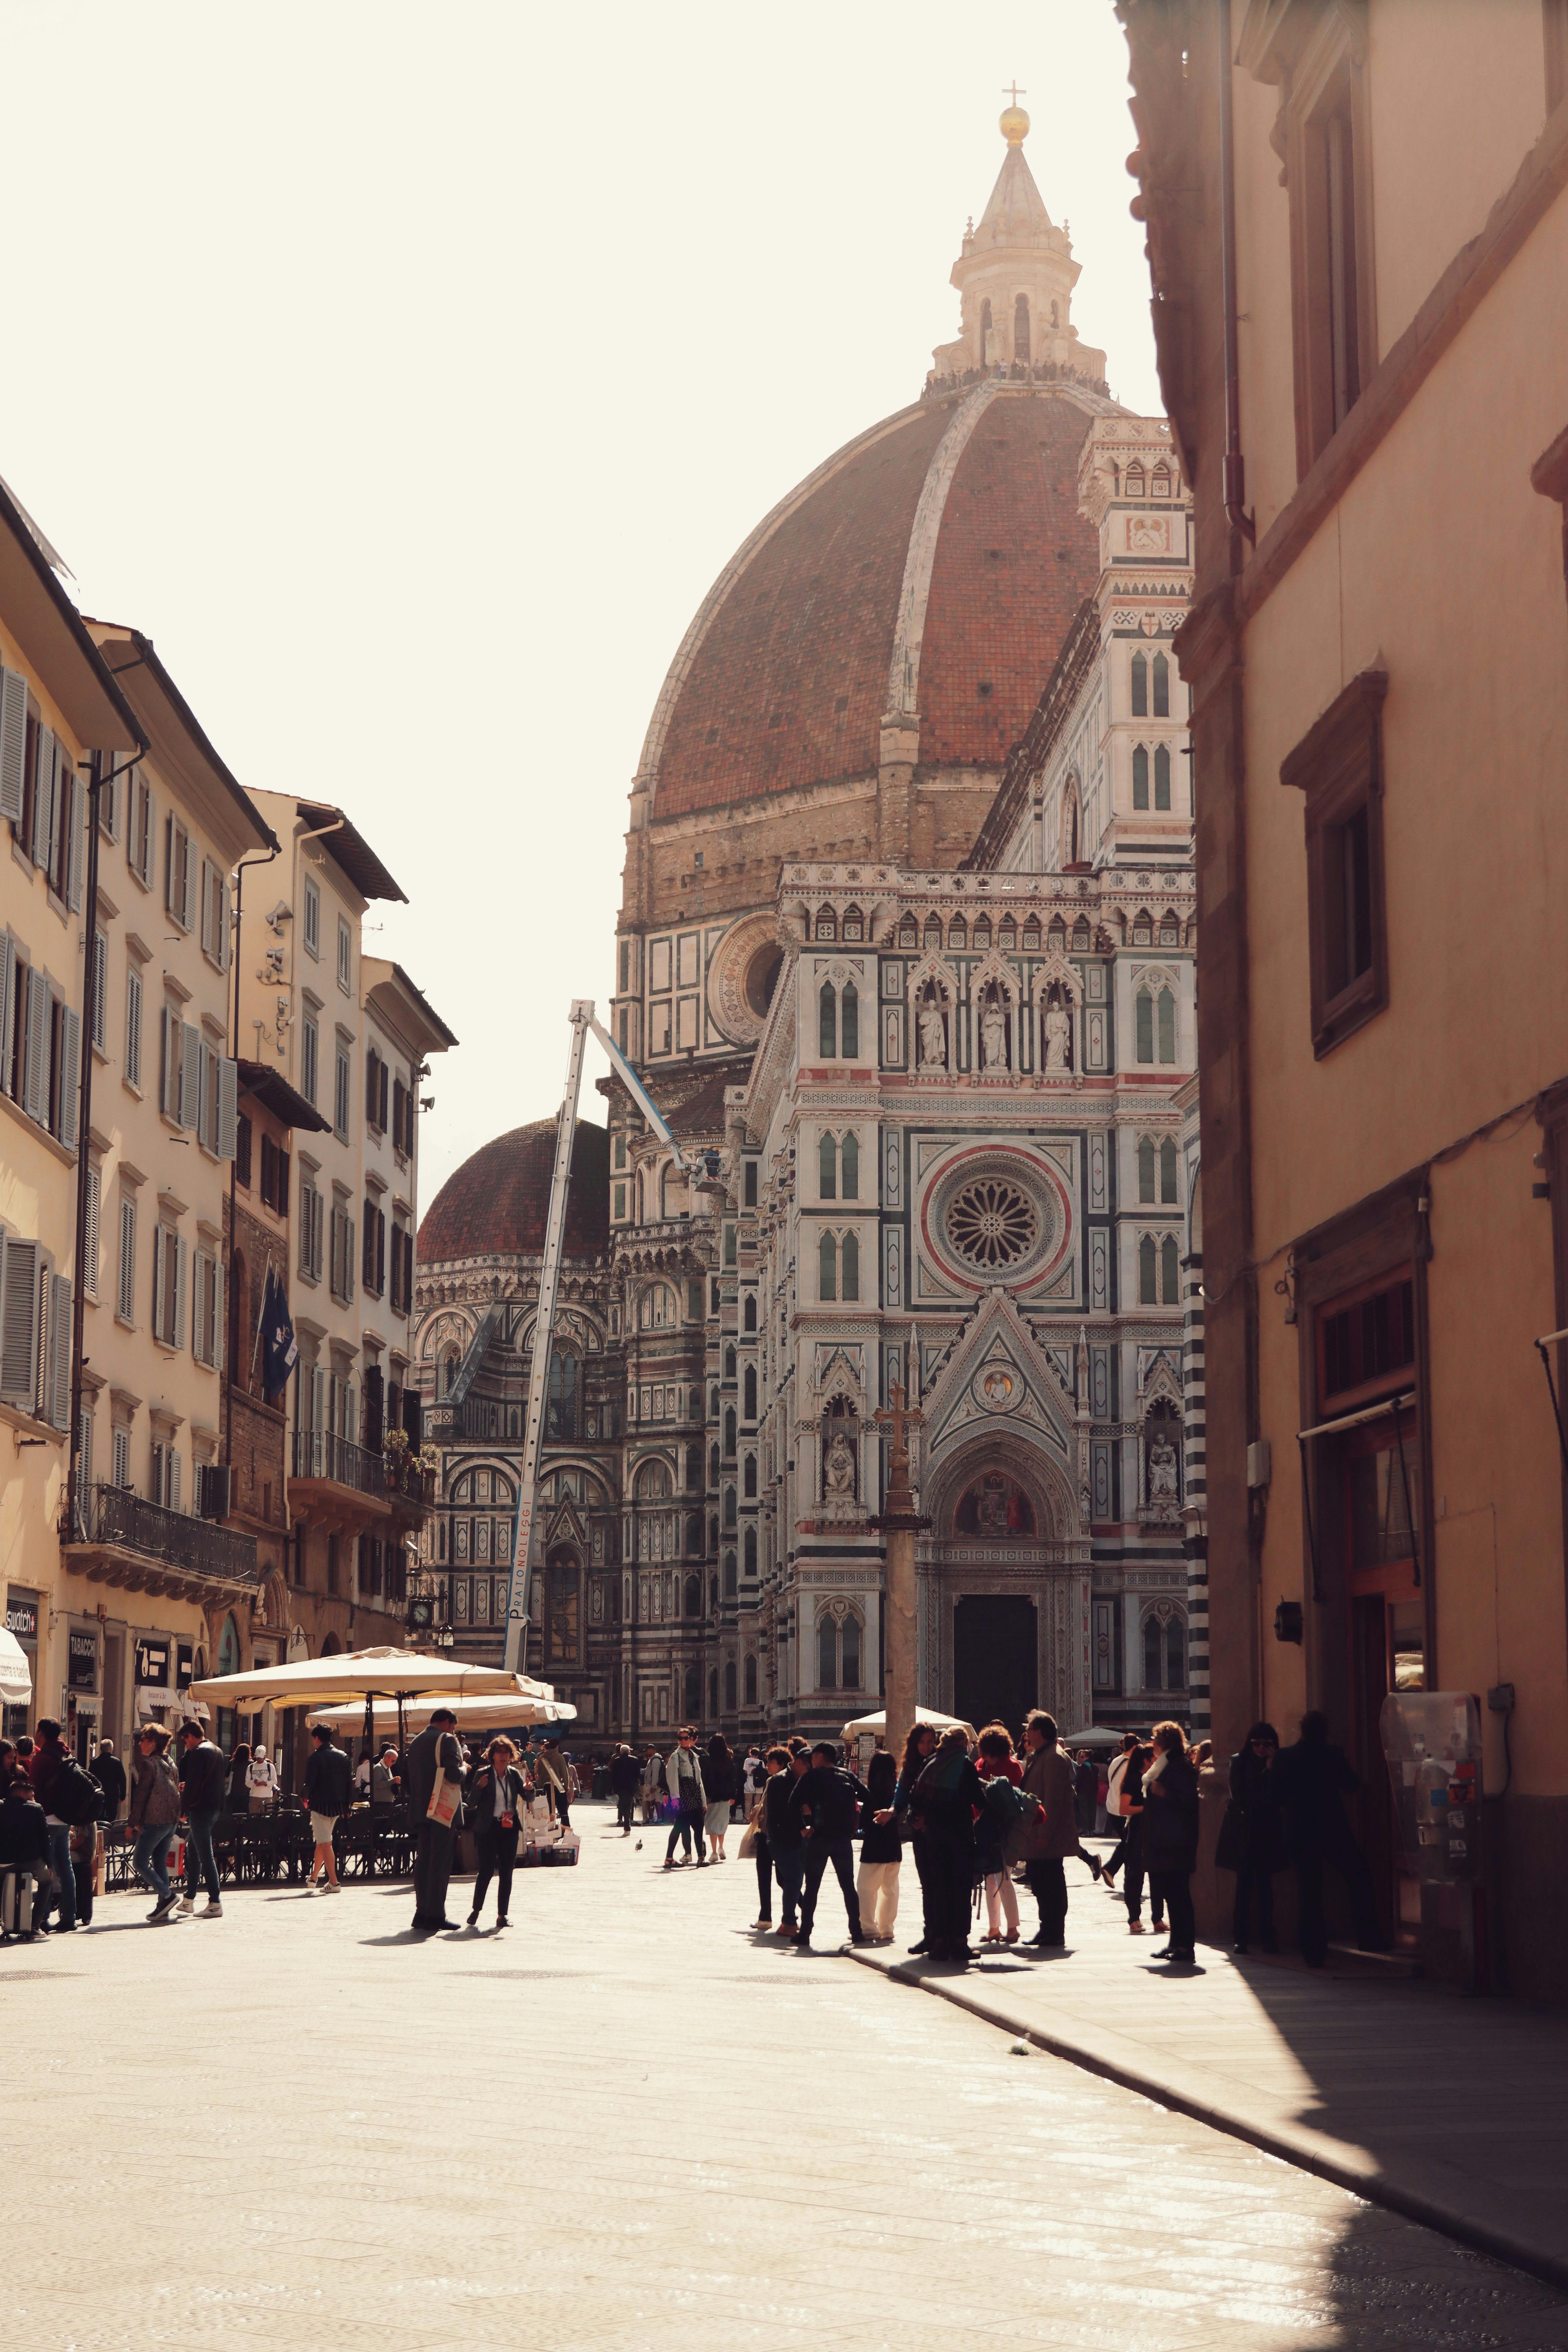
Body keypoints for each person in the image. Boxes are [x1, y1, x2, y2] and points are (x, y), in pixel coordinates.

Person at [1273, 1710, 1385, 1966]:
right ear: (1325, 1731)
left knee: (1309, 1890)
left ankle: (1313, 1951)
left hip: (1299, 1832)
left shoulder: (1285, 1757)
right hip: (1331, 1828)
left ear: (1301, 1730)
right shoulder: (1332, 1755)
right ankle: (1368, 1937)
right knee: (1359, 1877)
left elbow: (1276, 1796)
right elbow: (1352, 1785)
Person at [1013, 1709, 1096, 1949]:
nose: (1027, 1733)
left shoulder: (1054, 1757)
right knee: (1040, 1883)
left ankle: (1054, 1931)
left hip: (1048, 1836)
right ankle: (1046, 1929)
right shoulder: (1043, 1755)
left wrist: (1044, 1834)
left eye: (1029, 1729)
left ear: (1038, 1732)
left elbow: (1053, 1799)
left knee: (1050, 1884)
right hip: (1039, 1834)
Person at [912, 1726, 985, 1964]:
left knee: (940, 1889)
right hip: (960, 1836)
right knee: (961, 1889)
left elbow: (916, 1796)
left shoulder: (932, 1763)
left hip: (934, 1837)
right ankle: (959, 1943)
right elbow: (978, 1799)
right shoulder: (964, 1764)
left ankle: (940, 1943)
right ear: (963, 1743)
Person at [787, 1742, 868, 1949]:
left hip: (819, 1838)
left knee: (812, 1888)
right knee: (848, 1887)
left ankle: (805, 1933)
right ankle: (856, 1931)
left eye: (813, 1757)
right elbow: (868, 1797)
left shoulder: (811, 1777)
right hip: (843, 1839)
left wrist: (803, 1829)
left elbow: (792, 1803)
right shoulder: (847, 1775)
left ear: (820, 1757)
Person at [1217, 1721, 1284, 1954]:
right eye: (1256, 1743)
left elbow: (1278, 1794)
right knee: (1244, 1886)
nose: (1260, 1748)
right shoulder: (1239, 1761)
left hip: (1267, 1831)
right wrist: (1266, 1773)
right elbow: (1240, 1795)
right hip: (1245, 1831)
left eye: (1266, 1744)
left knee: (1266, 1887)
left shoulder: (1278, 1763)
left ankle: (1268, 1936)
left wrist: (1271, 1768)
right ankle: (1241, 1937)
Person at [1141, 1719, 1200, 1964]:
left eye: (1155, 1739)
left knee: (1179, 1895)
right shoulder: (1167, 1764)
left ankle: (1185, 1946)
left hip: (1176, 1842)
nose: (1152, 1743)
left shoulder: (1180, 1766)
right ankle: (1177, 1943)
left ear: (1164, 1742)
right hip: (1165, 1841)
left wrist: (1165, 1794)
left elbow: (1190, 1803)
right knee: (1171, 1895)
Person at [403, 1707, 467, 1931]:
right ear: (448, 1723)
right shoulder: (447, 1740)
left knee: (424, 1862)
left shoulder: (417, 1741)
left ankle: (421, 1913)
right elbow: (453, 1774)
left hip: (421, 1809)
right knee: (440, 1863)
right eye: (453, 1727)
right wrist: (465, 1769)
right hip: (442, 1810)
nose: (453, 1731)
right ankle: (436, 1915)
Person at [467, 1737, 529, 1929]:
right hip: (488, 1828)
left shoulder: (513, 1774)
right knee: (485, 1871)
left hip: (508, 1827)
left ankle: (502, 1915)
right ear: (492, 1755)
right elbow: (470, 1802)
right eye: (500, 1753)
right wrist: (479, 1787)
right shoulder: (482, 1774)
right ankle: (476, 1910)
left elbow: (527, 1796)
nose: (503, 1757)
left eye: (507, 1753)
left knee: (506, 1873)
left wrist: (530, 1789)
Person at [974, 1725, 1027, 1942]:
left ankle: (1012, 1928)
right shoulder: (985, 1766)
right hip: (987, 1830)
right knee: (991, 1878)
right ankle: (995, 1928)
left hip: (1005, 1831)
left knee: (1003, 1877)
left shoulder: (1011, 1766)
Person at [28, 1718, 79, 1933]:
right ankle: (70, 1916)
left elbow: (32, 1790)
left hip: (47, 1818)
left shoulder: (42, 1759)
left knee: (46, 1868)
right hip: (64, 1819)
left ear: (41, 1733)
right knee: (65, 1867)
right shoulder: (67, 1754)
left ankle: (43, 1915)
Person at [128, 1725, 184, 1921]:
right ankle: (163, 1907)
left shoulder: (149, 1764)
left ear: (153, 1743)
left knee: (140, 1862)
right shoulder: (171, 1763)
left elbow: (142, 1796)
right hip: (171, 1820)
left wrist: (132, 1822)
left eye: (143, 1739)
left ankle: (167, 1895)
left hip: (154, 1821)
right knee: (159, 1861)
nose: (140, 1743)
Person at [892, 1721, 939, 1954]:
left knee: (940, 1886)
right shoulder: (910, 1767)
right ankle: (929, 1934)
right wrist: (893, 1811)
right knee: (927, 1886)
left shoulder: (941, 1764)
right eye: (922, 1742)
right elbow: (901, 1794)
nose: (927, 1746)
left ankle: (942, 1934)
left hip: (940, 1833)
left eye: (931, 1742)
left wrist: (929, 1819)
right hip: (920, 1834)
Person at [174, 1721, 227, 1917]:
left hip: (201, 1808)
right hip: (215, 1808)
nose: (185, 1745)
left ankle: (215, 1902)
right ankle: (189, 1899)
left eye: (185, 1740)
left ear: (191, 1736)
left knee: (205, 1853)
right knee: (194, 1851)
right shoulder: (218, 1751)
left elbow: (195, 1783)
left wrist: (184, 1808)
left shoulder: (197, 1753)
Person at [0, 1758, 50, 1938]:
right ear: (23, 1795)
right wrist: (50, 1865)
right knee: (47, 1882)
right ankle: (35, 1926)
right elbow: (45, 1840)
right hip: (31, 1861)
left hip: (3, 1862)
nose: (34, 1799)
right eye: (32, 1796)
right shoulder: (36, 1810)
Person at [857, 1747, 901, 1941]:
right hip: (893, 1847)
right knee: (890, 1890)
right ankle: (887, 1929)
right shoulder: (896, 1794)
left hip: (874, 1848)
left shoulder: (871, 1793)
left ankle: (868, 1928)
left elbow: (866, 1822)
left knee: (867, 1888)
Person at [763, 1744, 808, 1931]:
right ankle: (789, 1921)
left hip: (799, 1838)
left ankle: (801, 1910)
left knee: (788, 1879)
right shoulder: (778, 1781)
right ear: (798, 1762)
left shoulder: (804, 1780)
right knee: (794, 1878)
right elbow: (781, 1812)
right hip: (782, 1838)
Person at [303, 1724, 351, 1894]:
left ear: (317, 1738)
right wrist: (347, 1806)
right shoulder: (343, 1756)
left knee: (325, 1843)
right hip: (338, 1806)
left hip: (320, 1805)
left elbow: (309, 1783)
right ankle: (314, 1877)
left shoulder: (315, 1758)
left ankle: (334, 1882)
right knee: (323, 1841)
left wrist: (304, 1797)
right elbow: (348, 1784)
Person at [749, 1745, 788, 1929]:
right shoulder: (780, 1780)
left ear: (780, 1764)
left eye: (770, 1763)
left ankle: (767, 1918)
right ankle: (766, 1917)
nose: (767, 1766)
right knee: (782, 1878)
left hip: (770, 1835)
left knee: (771, 1877)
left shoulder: (775, 1781)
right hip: (776, 1835)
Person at [663, 1726, 708, 1867]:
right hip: (684, 1796)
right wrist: (675, 1798)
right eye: (681, 1738)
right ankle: (669, 1858)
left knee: (699, 1826)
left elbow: (699, 1780)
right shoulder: (676, 1757)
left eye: (686, 1738)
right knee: (679, 1826)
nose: (683, 1741)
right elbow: (672, 1778)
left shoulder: (694, 1756)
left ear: (690, 1739)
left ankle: (701, 1858)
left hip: (695, 1795)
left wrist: (704, 1801)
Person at [703, 1734, 736, 1860]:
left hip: (712, 1795)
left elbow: (704, 1778)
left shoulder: (708, 1760)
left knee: (711, 1822)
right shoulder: (728, 1760)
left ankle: (714, 1852)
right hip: (726, 1795)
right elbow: (733, 1779)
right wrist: (733, 1795)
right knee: (722, 1821)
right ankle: (721, 1847)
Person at [532, 1738, 572, 1830]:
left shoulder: (542, 1758)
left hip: (546, 1787)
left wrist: (541, 1785)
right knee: (563, 1811)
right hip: (557, 1786)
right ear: (557, 1746)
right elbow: (564, 1773)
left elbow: (540, 1772)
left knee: (548, 1811)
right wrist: (566, 1786)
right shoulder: (559, 1757)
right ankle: (567, 1830)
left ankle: (548, 1830)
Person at [92, 1737, 127, 1826]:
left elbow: (91, 1779)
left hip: (99, 1795)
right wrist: (123, 1796)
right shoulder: (117, 1762)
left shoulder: (94, 1762)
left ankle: (100, 1834)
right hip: (113, 1795)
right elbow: (123, 1780)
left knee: (98, 1816)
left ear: (100, 1749)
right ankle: (108, 1833)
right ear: (111, 1749)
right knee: (112, 1816)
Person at [609, 1743, 641, 1834]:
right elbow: (638, 1774)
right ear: (628, 1752)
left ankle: (627, 1827)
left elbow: (614, 1775)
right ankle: (628, 1825)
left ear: (621, 1752)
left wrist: (613, 1787)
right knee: (629, 1805)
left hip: (621, 1787)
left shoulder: (617, 1760)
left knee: (624, 1806)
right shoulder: (635, 1760)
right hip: (631, 1787)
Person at [246, 1743, 280, 1813]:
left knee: (266, 1818)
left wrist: (266, 1783)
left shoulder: (270, 1766)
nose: (259, 1759)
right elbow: (247, 1783)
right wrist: (254, 1782)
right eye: (258, 1758)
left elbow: (275, 1781)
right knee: (253, 1818)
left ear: (265, 1756)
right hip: (254, 1796)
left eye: (261, 1758)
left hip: (267, 1796)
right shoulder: (251, 1767)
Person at [641, 1745, 666, 1825]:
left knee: (655, 1802)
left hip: (652, 1785)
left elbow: (655, 1774)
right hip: (652, 1785)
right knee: (653, 1801)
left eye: (648, 1751)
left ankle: (658, 1818)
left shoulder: (655, 1760)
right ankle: (656, 1818)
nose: (647, 1753)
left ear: (652, 1750)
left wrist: (653, 1786)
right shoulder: (653, 1759)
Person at [226, 1742, 251, 1815]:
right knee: (246, 1813)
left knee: (235, 1813)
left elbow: (227, 1775)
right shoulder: (251, 1764)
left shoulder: (232, 1763)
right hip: (247, 1791)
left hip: (234, 1791)